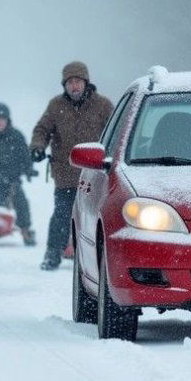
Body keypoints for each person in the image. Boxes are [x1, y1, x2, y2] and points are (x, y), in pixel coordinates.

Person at [30, 61, 114, 270]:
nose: (74, 85)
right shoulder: (55, 105)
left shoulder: (103, 105)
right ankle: (52, 254)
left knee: (97, 217)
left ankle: (99, 259)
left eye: (78, 81)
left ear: (86, 82)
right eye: (70, 82)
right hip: (65, 172)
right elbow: (42, 129)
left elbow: (115, 131)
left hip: (95, 173)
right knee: (61, 214)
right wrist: (37, 146)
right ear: (64, 85)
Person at [0, 103, 38, 246]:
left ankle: (26, 230)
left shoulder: (16, 136)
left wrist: (29, 169)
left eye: (2, 119)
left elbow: (25, 157)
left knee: (21, 200)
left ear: (7, 120)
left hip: (10, 182)